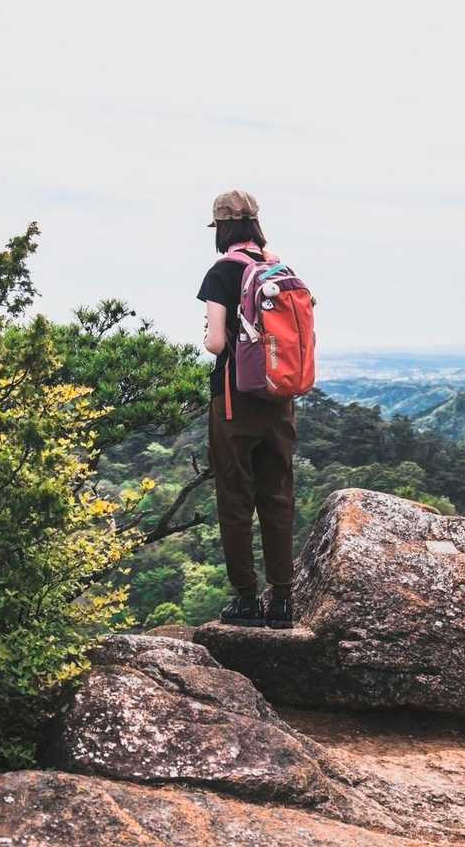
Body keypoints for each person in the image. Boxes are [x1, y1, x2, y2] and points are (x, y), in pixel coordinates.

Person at [197, 189, 297, 629]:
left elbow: (216, 342)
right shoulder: (278, 269)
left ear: (221, 227)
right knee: (277, 497)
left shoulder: (222, 271)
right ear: (255, 224)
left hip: (235, 402)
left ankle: (246, 600)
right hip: (279, 399)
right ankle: (282, 601)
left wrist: (208, 334)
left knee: (236, 500)